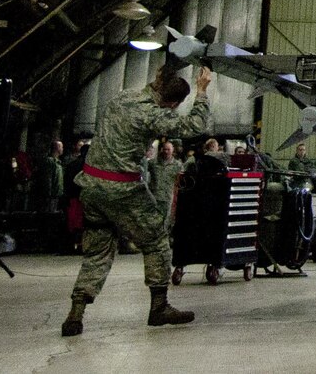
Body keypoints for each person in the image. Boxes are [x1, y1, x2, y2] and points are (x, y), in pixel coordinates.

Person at [61, 67, 212, 337]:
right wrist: (201, 91)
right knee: (157, 240)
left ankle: (76, 313)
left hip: (90, 187)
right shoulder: (153, 114)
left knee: (97, 252)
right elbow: (195, 126)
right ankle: (159, 307)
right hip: (122, 189)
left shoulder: (123, 97)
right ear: (173, 103)